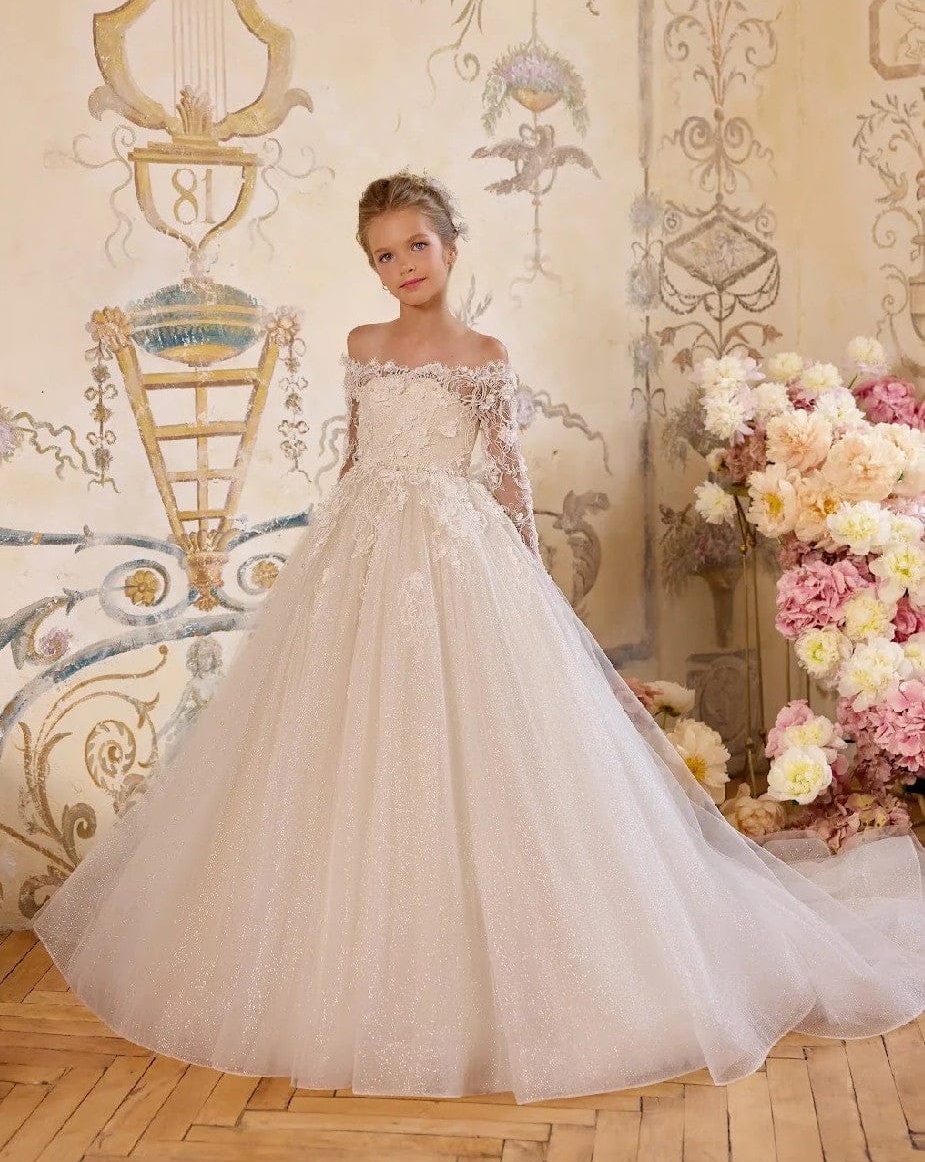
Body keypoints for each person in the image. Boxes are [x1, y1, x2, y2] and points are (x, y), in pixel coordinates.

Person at [32, 170, 925, 1106]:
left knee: (477, 747)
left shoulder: (484, 356)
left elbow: (505, 479)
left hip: (457, 556)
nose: (402, 266)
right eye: (384, 255)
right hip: (361, 552)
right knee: (342, 744)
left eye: (416, 246)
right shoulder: (362, 345)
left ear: (450, 248)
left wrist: (531, 588)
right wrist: (332, 551)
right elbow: (352, 458)